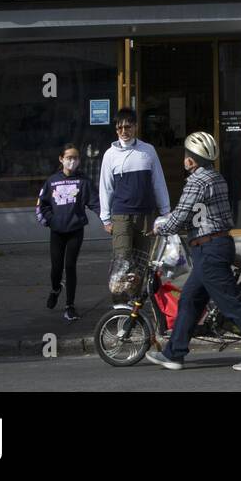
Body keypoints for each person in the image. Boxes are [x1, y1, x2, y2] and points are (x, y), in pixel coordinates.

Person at [146, 132, 241, 372]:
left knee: (230, 303)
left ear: (192, 160)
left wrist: (160, 227)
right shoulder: (216, 177)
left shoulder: (197, 181)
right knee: (190, 300)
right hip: (212, 247)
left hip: (209, 250)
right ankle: (174, 354)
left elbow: (181, 216)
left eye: (187, 155)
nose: (184, 159)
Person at [35, 143, 98, 322]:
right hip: (57, 231)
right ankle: (55, 289)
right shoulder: (52, 181)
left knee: (70, 266)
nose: (72, 161)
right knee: (56, 267)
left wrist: (107, 220)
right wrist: (51, 220)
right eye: (69, 157)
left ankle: (70, 306)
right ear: (61, 159)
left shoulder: (83, 181)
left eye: (76, 158)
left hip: (75, 230)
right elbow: (43, 204)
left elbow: (95, 202)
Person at [99, 107, 170, 261]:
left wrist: (165, 211)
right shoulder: (109, 155)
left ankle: (141, 286)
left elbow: (158, 182)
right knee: (122, 260)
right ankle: (120, 286)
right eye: (119, 127)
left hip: (145, 215)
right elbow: (106, 188)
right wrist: (105, 218)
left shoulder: (148, 150)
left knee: (143, 260)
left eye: (127, 126)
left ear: (136, 127)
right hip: (121, 215)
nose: (123, 131)